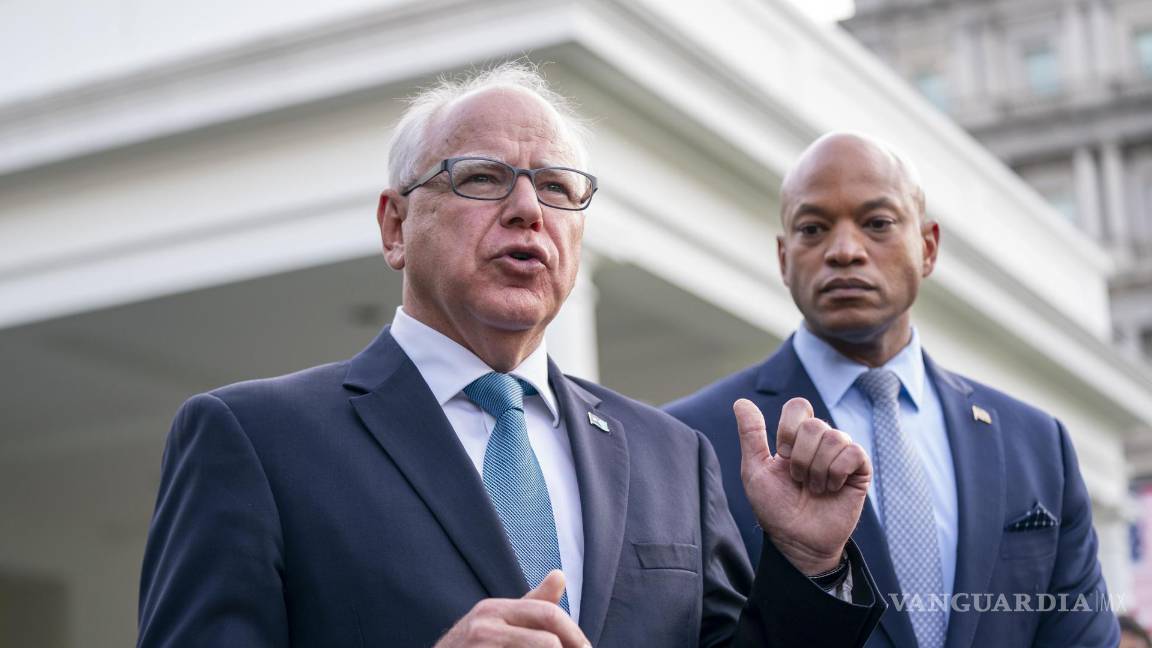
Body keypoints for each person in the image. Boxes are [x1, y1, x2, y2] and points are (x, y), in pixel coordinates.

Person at [136, 65, 886, 647]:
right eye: (484, 178)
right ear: (395, 226)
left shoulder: (672, 458)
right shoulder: (255, 440)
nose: (528, 209)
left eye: (558, 188)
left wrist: (810, 564)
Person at [665, 132, 1119, 647]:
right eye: (813, 229)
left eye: (877, 223)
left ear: (927, 247)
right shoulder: (685, 442)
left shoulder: (1038, 445)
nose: (844, 251)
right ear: (784, 257)